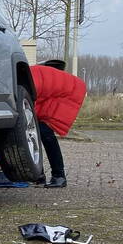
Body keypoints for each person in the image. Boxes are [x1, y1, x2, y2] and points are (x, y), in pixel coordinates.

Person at [29, 59, 87, 188]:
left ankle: (59, 176)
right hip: (56, 96)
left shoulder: (32, 77)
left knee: (45, 134)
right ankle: (40, 175)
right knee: (34, 135)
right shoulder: (33, 75)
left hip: (64, 96)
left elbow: (35, 95)